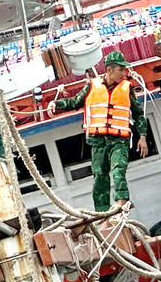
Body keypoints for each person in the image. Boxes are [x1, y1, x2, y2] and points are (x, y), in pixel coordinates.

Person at [48, 51, 150, 211]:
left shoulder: (126, 88)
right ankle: (102, 212)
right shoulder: (91, 86)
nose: (125, 73)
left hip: (119, 140)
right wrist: (57, 104)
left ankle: (122, 203)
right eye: (121, 70)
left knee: (118, 170)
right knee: (100, 177)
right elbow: (75, 102)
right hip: (98, 141)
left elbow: (138, 114)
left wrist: (142, 136)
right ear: (109, 70)